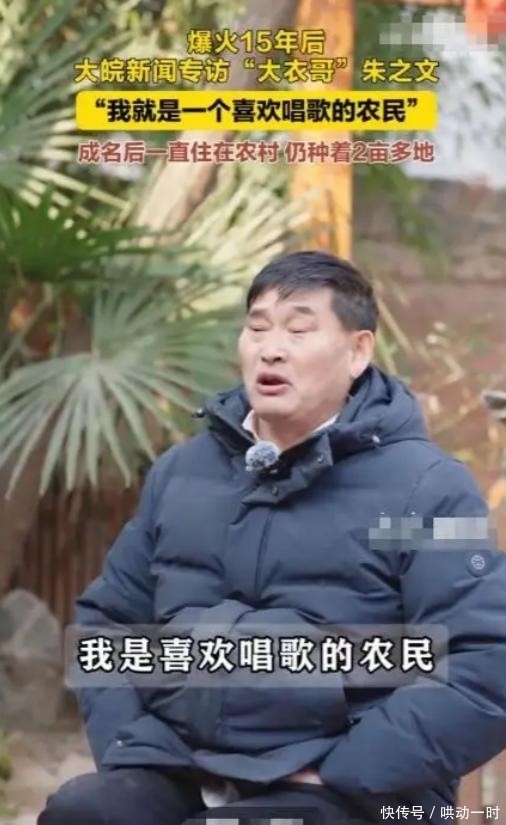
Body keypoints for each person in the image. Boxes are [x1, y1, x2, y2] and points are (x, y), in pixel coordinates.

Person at [38, 250, 506, 825]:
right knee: (82, 812)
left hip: (355, 786)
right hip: (183, 762)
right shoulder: (182, 472)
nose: (271, 348)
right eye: (257, 328)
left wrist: (344, 768)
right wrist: (128, 743)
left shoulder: (429, 487)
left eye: (298, 330)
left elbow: (486, 663)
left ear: (358, 351)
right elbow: (106, 624)